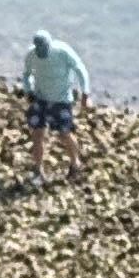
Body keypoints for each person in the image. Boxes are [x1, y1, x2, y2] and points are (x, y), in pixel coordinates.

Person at [21, 31, 90, 178]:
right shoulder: (31, 55)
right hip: (40, 98)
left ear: (49, 45)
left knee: (65, 134)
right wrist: (28, 91)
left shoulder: (62, 51)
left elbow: (80, 69)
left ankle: (75, 164)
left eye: (44, 49)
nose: (41, 52)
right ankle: (38, 169)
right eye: (38, 49)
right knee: (37, 133)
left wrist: (85, 93)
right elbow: (26, 74)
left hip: (61, 100)